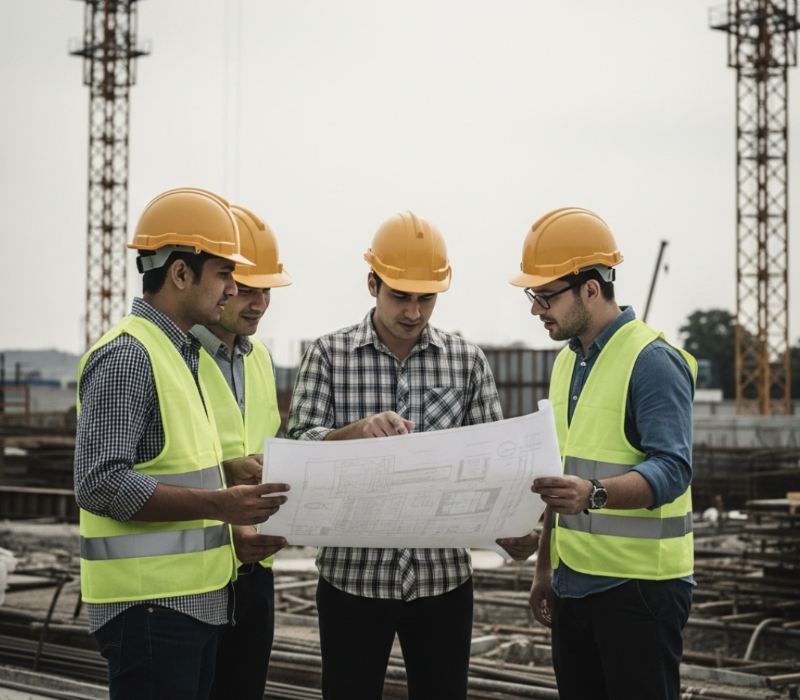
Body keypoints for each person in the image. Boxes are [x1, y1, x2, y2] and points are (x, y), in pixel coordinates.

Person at [287, 210, 537, 700]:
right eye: (400, 296)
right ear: (372, 284)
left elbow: (498, 466)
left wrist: (514, 528)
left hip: (442, 581)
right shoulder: (329, 355)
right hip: (353, 580)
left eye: (427, 298)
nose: (414, 312)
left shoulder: (467, 362)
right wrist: (354, 434)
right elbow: (298, 452)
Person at [74, 187, 289, 700]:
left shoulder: (181, 353)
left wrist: (228, 472)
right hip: (150, 606)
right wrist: (221, 503)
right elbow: (100, 484)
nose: (232, 288)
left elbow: (168, 463)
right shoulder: (128, 356)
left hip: (191, 602)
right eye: (224, 273)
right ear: (179, 273)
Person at [509, 207, 696, 700]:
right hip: (574, 586)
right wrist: (545, 569)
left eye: (546, 296)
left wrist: (594, 494)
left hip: (639, 591)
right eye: (533, 296)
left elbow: (672, 469)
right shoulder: (566, 363)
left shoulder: (652, 361)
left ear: (591, 288)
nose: (537, 309)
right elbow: (560, 476)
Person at [193, 204, 292, 700]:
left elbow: (263, 453)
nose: (258, 303)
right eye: (248, 288)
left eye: (266, 290)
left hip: (255, 574)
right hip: (196, 574)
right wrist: (230, 523)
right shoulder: (175, 357)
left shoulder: (259, 360)